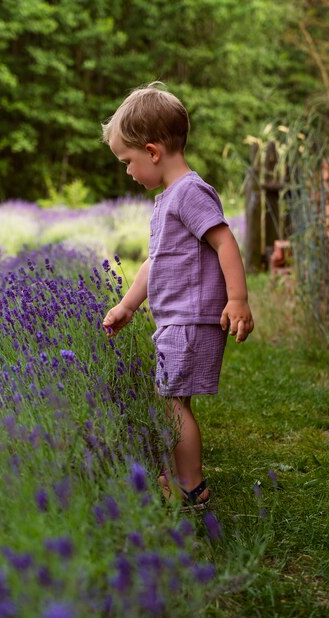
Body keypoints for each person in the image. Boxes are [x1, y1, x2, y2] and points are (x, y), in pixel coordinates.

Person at [101, 83, 254, 510]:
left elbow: (225, 242)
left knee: (170, 400)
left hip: (190, 318)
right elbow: (156, 261)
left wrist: (237, 299)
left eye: (128, 161)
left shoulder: (189, 192)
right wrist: (128, 305)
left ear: (152, 152)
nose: (128, 172)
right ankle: (179, 476)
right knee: (172, 397)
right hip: (175, 319)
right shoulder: (167, 200)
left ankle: (191, 487)